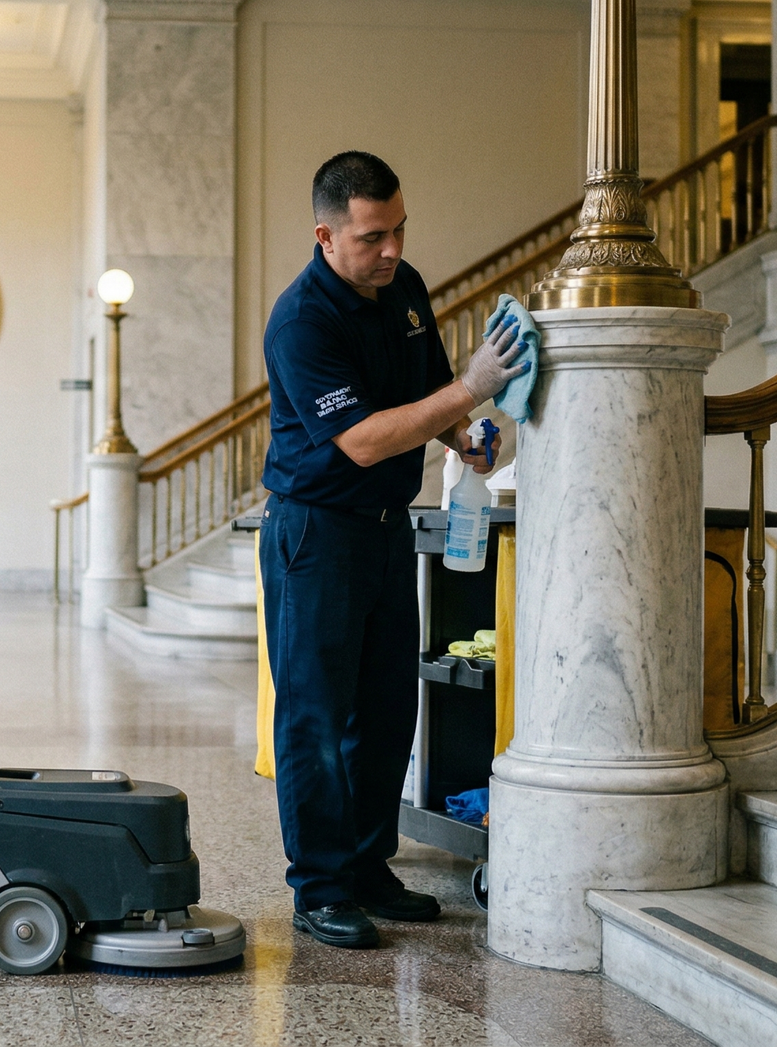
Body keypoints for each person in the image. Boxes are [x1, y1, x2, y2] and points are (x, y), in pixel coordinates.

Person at [259, 152, 523, 949]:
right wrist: (473, 388)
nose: (392, 250)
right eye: (374, 236)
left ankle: (370, 866)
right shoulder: (301, 320)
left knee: (384, 710)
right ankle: (321, 884)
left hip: (385, 530)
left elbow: (425, 389)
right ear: (326, 235)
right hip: (316, 531)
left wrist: (463, 434)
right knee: (315, 715)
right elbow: (367, 440)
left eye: (400, 228)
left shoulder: (403, 290)